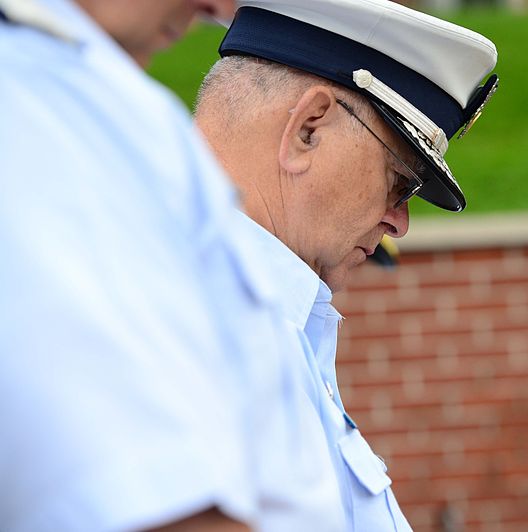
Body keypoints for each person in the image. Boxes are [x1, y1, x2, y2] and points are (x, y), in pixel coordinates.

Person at [0, 0, 346, 530]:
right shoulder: (34, 96)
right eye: (399, 183)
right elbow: (132, 495)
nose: (218, 8)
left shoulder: (98, 95)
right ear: (307, 128)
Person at [193, 1, 499, 529]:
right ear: (308, 128)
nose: (399, 223)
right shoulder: (189, 317)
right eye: (400, 181)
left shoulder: (265, 313)